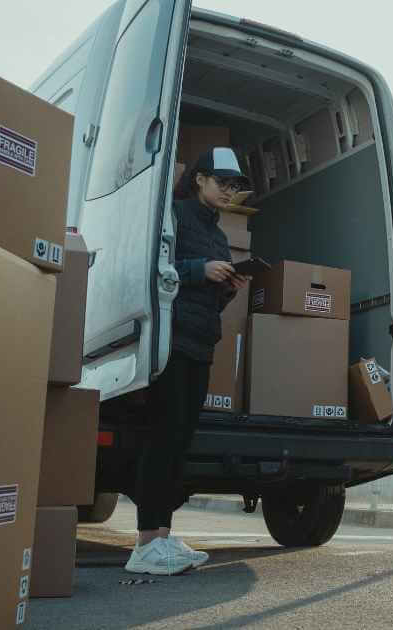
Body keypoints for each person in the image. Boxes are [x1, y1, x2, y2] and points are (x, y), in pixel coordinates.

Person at [124, 147, 253, 575]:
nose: (229, 193)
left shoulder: (218, 233)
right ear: (199, 178)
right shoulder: (173, 215)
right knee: (161, 438)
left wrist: (227, 285)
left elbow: (208, 293)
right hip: (171, 339)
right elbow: (151, 266)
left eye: (234, 187)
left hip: (201, 341)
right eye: (222, 183)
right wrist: (201, 270)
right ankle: (144, 544)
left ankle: (162, 537)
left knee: (180, 440)